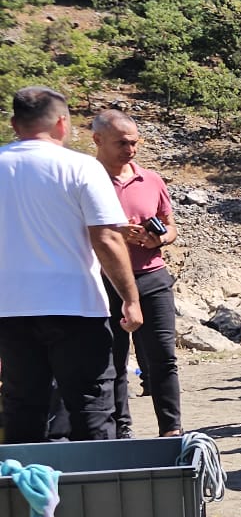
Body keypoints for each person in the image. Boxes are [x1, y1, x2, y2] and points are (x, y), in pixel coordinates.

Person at [0, 87, 142, 443]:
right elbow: (107, 238)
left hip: (11, 309)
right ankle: (100, 492)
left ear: (14, 124)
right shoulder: (81, 167)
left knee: (22, 407)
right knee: (91, 407)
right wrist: (130, 297)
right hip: (75, 306)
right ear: (63, 124)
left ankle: (25, 493)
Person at [91, 110, 181, 438]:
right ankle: (121, 432)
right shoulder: (86, 179)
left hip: (152, 277)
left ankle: (172, 430)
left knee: (163, 358)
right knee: (110, 363)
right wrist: (115, 233)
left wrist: (158, 237)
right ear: (97, 140)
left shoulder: (152, 180)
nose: (130, 149)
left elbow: (170, 227)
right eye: (121, 143)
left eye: (134, 142)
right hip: (103, 282)